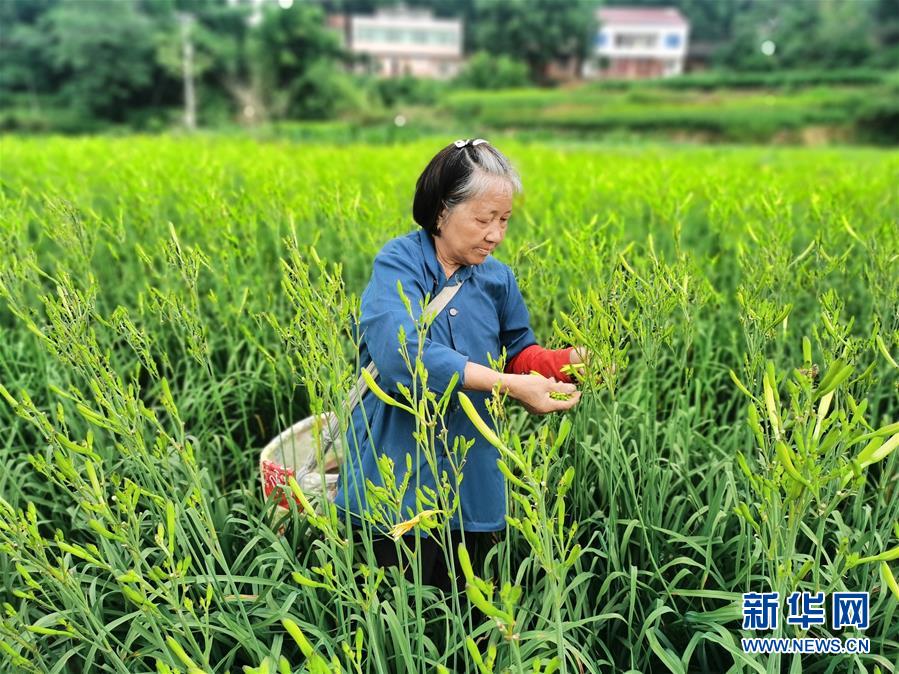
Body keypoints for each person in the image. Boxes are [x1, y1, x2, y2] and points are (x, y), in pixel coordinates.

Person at [334, 139, 584, 593]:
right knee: (393, 610)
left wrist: (561, 364)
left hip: (472, 484)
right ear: (441, 211)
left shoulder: (498, 279)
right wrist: (506, 386)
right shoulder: (400, 262)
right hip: (394, 484)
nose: (496, 235)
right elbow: (399, 353)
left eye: (504, 220)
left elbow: (517, 352)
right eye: (484, 219)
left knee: (467, 608)